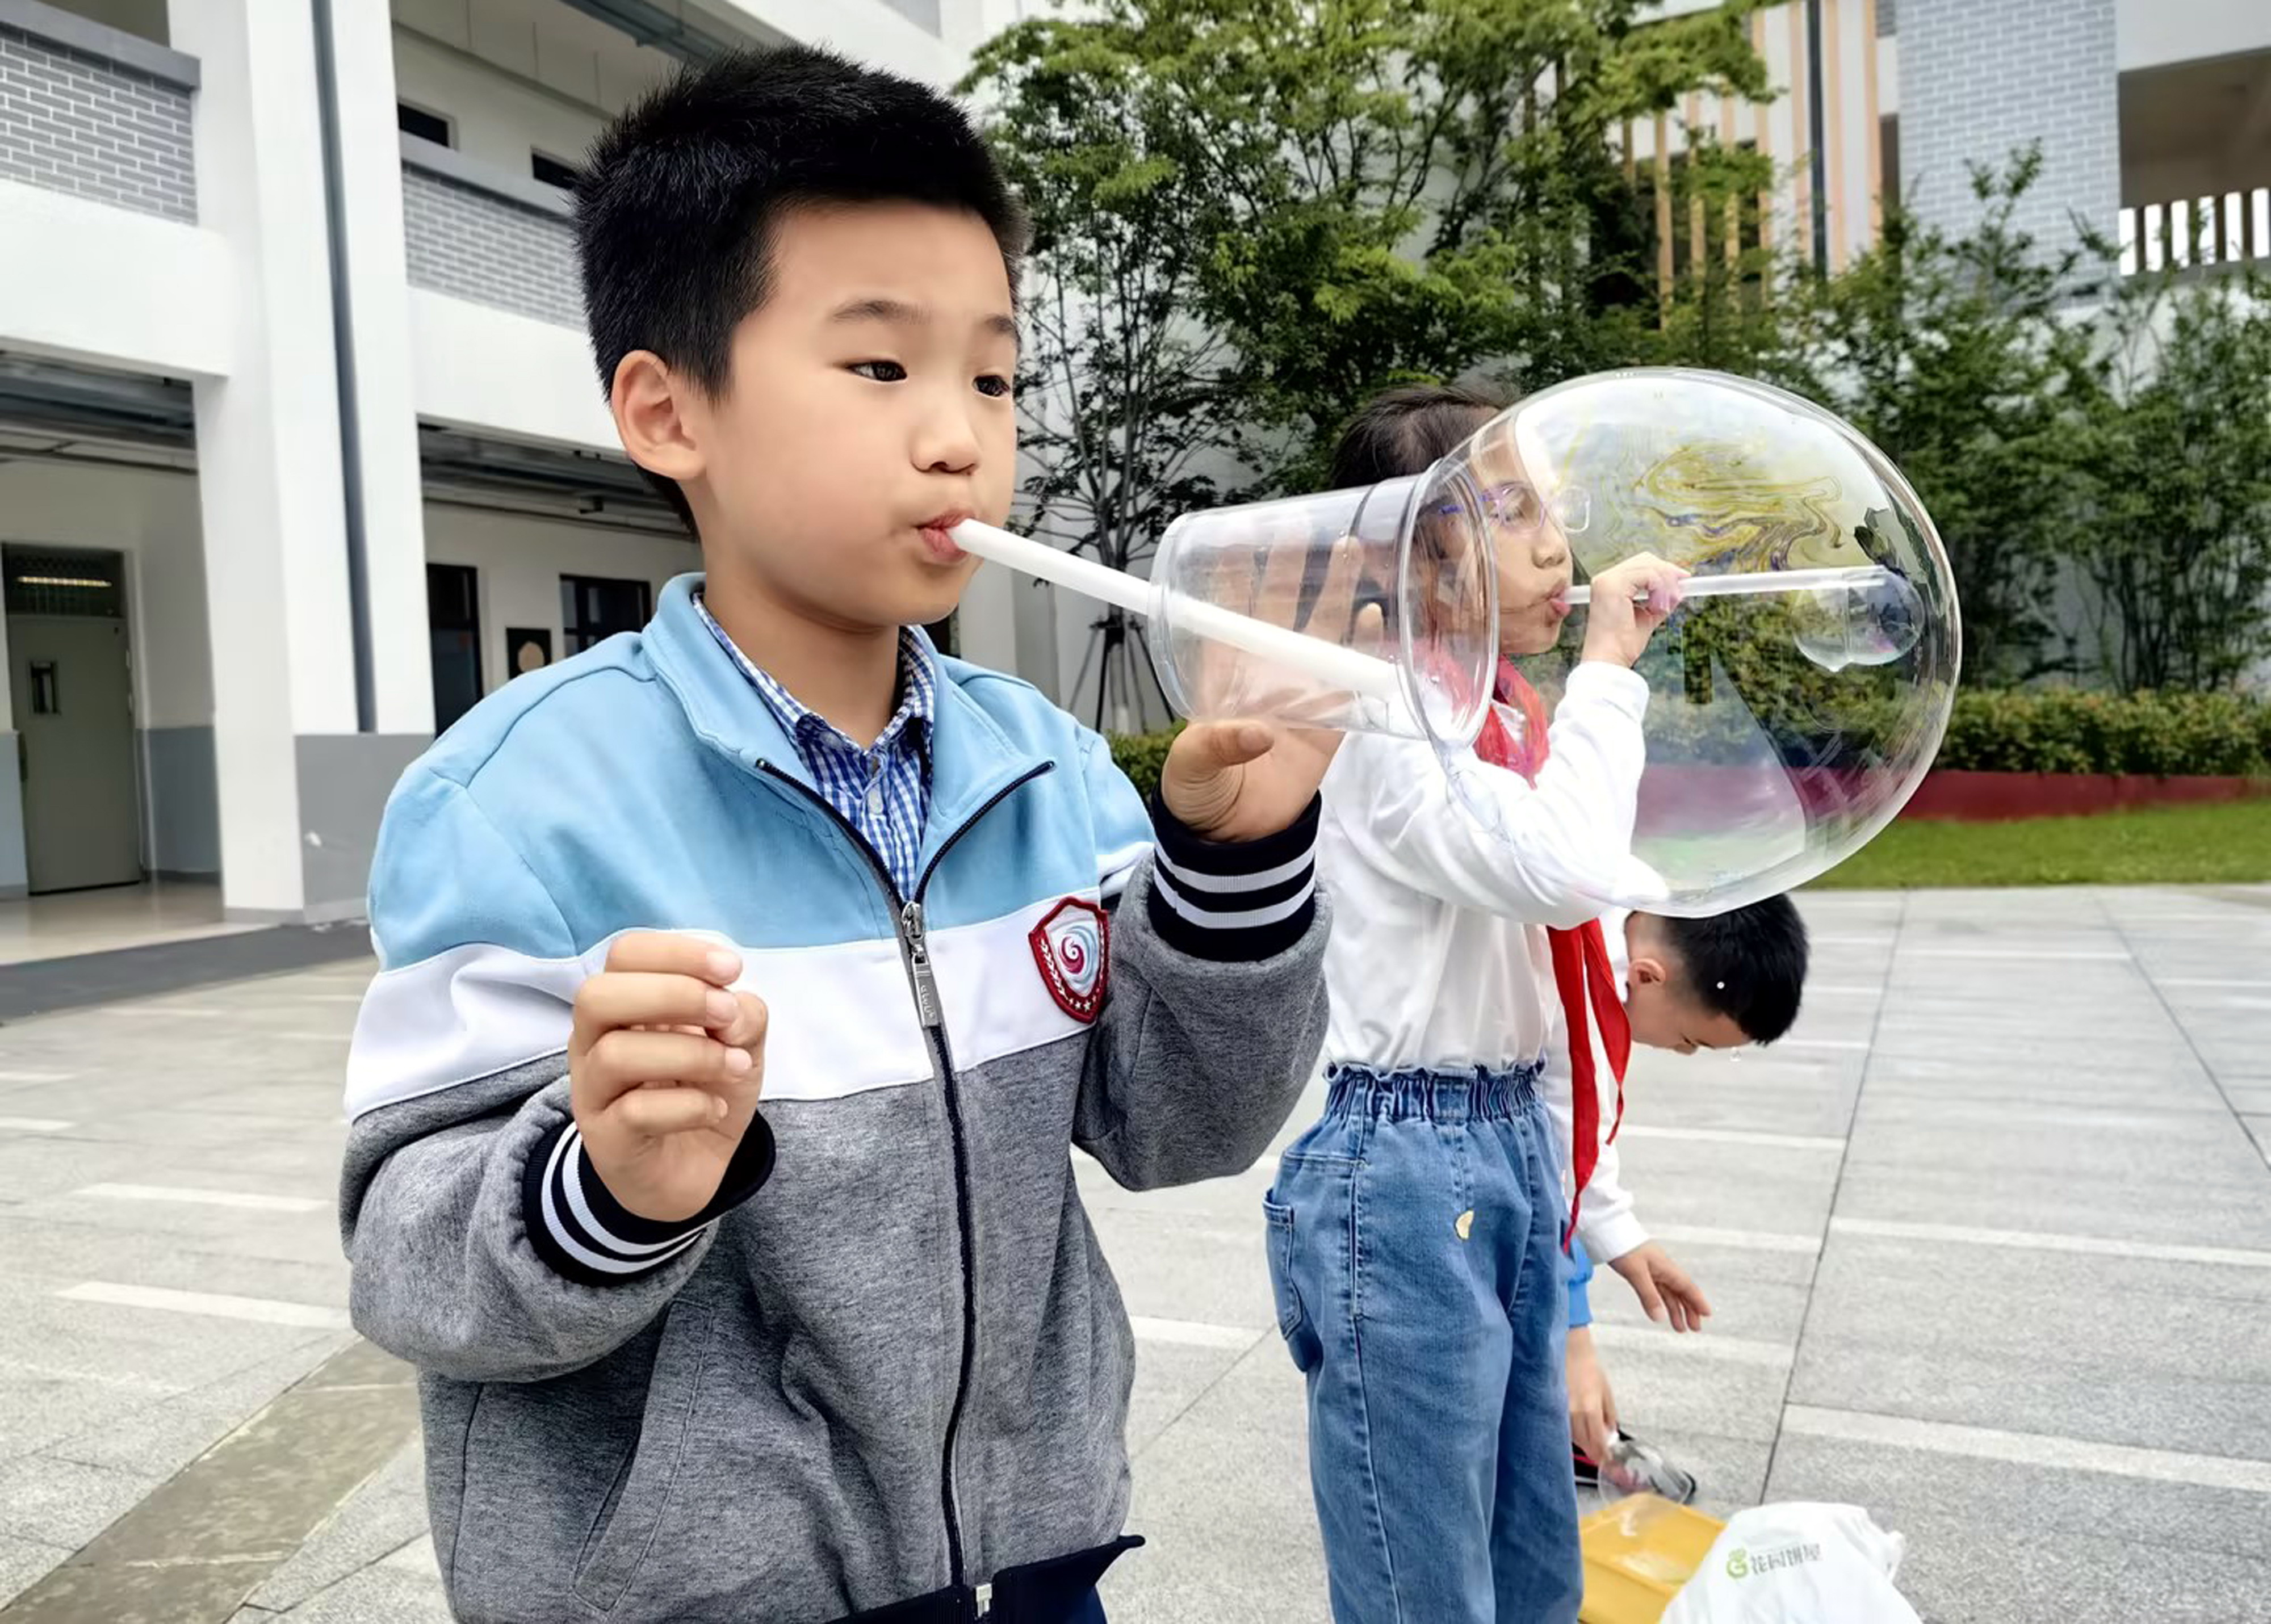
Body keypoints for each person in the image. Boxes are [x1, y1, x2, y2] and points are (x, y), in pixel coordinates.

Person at [340, 47, 1350, 1624]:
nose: (958, 437)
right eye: (881, 370)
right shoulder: (514, 802)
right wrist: (611, 1184)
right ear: (668, 411)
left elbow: (1180, 1127)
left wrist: (1232, 863)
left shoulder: (1045, 767)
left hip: (1030, 1568)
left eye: (995, 378)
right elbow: (411, 1263)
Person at [1263, 383, 1690, 1624]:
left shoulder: (1498, 718)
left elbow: (1552, 994)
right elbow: (1563, 871)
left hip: (1498, 1140)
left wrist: (1602, 1216)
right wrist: (1611, 668)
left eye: (1550, 507)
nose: (1555, 543)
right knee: (1426, 1579)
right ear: (1408, 550)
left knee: (1530, 1560)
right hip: (1398, 1164)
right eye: (1506, 511)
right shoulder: (1385, 717)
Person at [1558, 898, 1811, 1481]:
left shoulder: (1611, 914)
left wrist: (1622, 1234)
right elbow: (1553, 1159)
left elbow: (1578, 1144)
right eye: (1688, 1039)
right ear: (1645, 976)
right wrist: (1572, 1342)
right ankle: (1554, 1422)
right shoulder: (1569, 983)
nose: (1681, 1051)